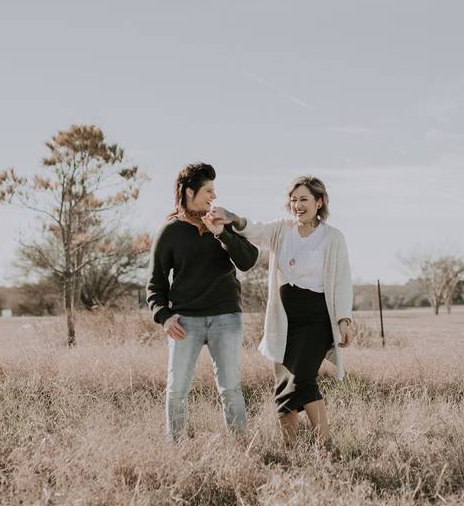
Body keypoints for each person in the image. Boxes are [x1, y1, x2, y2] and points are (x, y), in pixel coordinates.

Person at [208, 175, 353, 446]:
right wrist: (232, 218)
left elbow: (343, 281)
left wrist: (344, 319)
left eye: (304, 199)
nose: (297, 205)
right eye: (294, 200)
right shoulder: (282, 229)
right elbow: (254, 230)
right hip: (285, 319)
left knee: (302, 379)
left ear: (319, 202)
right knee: (284, 385)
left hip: (317, 318)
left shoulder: (333, 238)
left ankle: (326, 445)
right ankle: (291, 448)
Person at [146, 162, 259, 441]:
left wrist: (223, 233)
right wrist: (164, 316)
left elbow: (249, 261)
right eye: (208, 190)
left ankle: (241, 445)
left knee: (230, 387)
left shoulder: (220, 223)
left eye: (214, 190)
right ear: (188, 192)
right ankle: (177, 448)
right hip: (185, 323)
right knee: (177, 389)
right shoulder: (169, 231)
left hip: (226, 319)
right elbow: (155, 283)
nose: (213, 196)